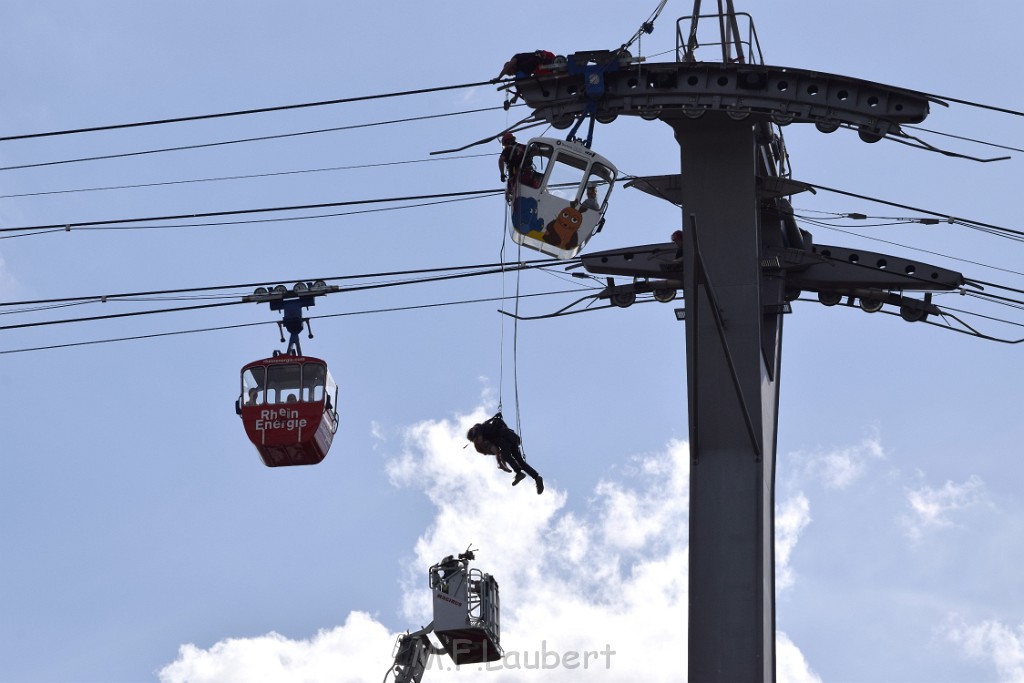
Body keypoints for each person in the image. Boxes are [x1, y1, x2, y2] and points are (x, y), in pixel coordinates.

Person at [467, 413, 544, 494]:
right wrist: (503, 464)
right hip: (512, 437)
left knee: (507, 456)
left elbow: (493, 449)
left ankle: (519, 473)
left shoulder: (477, 430)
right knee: (520, 461)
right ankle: (536, 477)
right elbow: (500, 453)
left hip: (504, 438)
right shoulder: (486, 427)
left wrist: (500, 463)